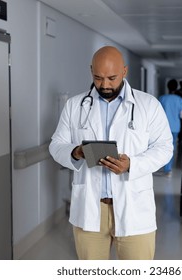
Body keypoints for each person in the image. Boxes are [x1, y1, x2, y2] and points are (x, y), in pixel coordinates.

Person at [49, 46, 173, 260]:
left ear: (124, 71)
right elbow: (56, 145)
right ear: (90, 71)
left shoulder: (148, 105)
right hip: (90, 208)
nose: (104, 85)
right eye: (98, 78)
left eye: (111, 78)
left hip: (134, 207)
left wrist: (132, 164)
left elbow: (164, 147)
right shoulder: (75, 105)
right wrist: (76, 152)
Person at [157, 79, 182, 176]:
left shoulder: (162, 98)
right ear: (176, 87)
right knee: (171, 146)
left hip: (163, 127)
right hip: (175, 127)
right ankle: (168, 169)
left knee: (162, 146)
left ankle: (165, 167)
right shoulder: (179, 99)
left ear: (168, 87)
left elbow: (157, 113)